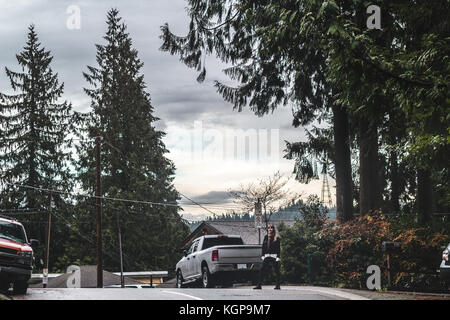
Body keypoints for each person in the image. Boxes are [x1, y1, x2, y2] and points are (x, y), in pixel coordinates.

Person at [254, 224, 281, 290]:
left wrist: (278, 257)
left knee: (276, 271)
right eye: (269, 228)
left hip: (274, 256)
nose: (270, 229)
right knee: (262, 270)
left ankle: (278, 285)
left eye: (271, 228)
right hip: (266, 256)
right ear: (267, 230)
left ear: (273, 229)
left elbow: (278, 248)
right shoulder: (266, 237)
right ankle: (259, 285)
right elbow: (263, 247)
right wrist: (263, 255)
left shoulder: (276, 238)